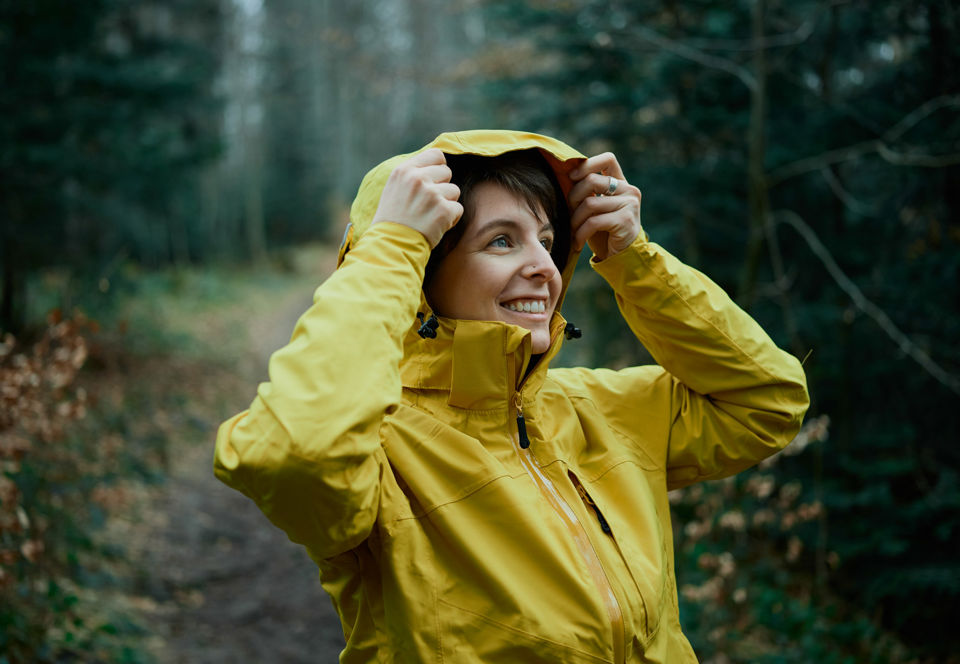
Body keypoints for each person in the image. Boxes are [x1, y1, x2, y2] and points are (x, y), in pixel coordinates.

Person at [213, 130, 809, 663]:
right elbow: (295, 454)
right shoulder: (383, 447)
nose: (543, 268)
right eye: (501, 241)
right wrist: (392, 246)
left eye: (548, 241)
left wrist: (634, 259)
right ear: (423, 279)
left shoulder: (600, 408)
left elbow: (768, 401)